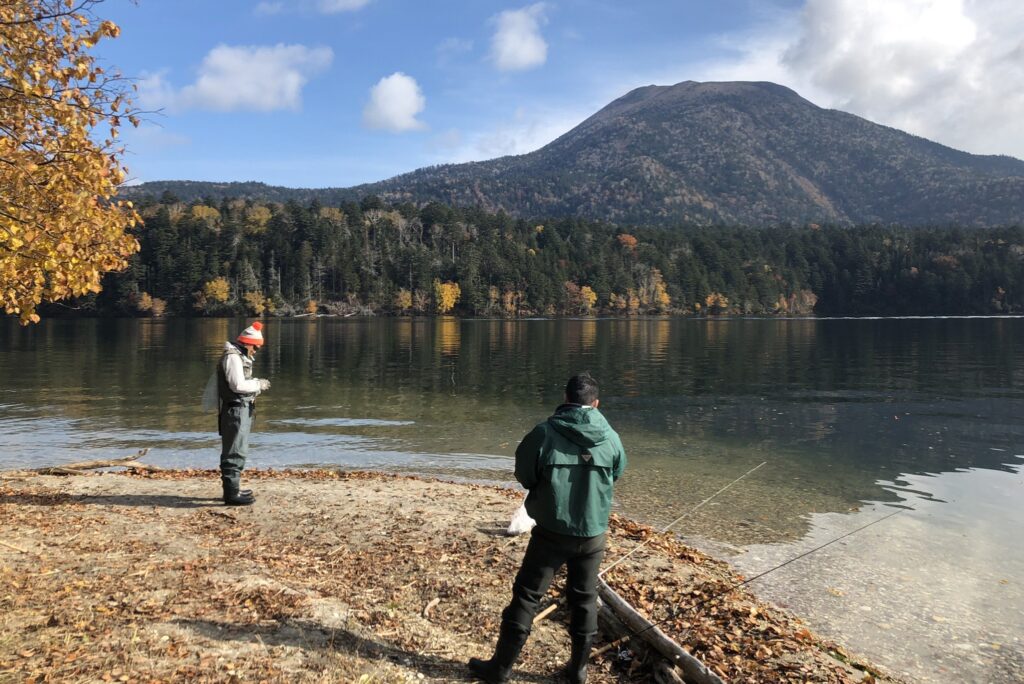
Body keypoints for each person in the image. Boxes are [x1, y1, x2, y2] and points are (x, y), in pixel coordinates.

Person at [470, 372, 626, 684]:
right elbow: (616, 473)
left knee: (527, 596)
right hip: (593, 533)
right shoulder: (610, 436)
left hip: (552, 532)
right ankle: (578, 671)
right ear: (595, 404)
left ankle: (500, 670)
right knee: (584, 599)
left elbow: (524, 474)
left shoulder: (544, 433)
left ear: (566, 399)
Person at [216, 321, 271, 506]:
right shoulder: (233, 358)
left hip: (238, 408)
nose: (256, 351)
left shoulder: (237, 356)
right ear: (247, 343)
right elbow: (237, 385)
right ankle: (231, 495)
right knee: (234, 451)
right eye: (255, 347)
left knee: (238, 449)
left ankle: (234, 488)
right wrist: (258, 384)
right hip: (235, 410)